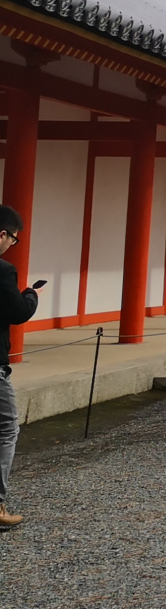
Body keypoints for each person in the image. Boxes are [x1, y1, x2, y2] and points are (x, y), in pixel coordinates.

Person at [0, 205, 42, 531]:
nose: (12, 244)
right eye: (13, 239)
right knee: (7, 428)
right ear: (3, 234)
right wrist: (32, 295)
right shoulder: (3, 270)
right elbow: (17, 311)